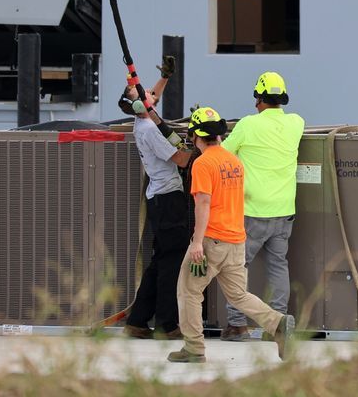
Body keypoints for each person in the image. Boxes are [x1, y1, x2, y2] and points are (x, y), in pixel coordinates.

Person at [168, 107, 295, 363]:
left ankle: (194, 348)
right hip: (237, 240)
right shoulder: (234, 161)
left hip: (212, 241)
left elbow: (203, 203)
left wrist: (196, 243)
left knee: (189, 292)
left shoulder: (203, 164)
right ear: (219, 135)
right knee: (238, 295)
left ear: (196, 136)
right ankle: (278, 323)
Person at [220, 71, 304, 341]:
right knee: (279, 265)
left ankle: (236, 325)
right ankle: (277, 325)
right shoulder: (296, 123)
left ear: (259, 99)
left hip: (253, 211)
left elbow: (222, 153)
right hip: (284, 210)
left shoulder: (247, 125)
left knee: (236, 267)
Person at [119, 56, 193, 340]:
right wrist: (205, 146)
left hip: (161, 198)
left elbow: (152, 97)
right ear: (138, 105)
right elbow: (182, 159)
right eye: (145, 94)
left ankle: (137, 320)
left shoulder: (147, 119)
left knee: (160, 260)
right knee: (171, 264)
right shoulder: (150, 129)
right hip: (168, 200)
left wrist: (166, 78)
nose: (151, 93)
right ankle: (166, 324)